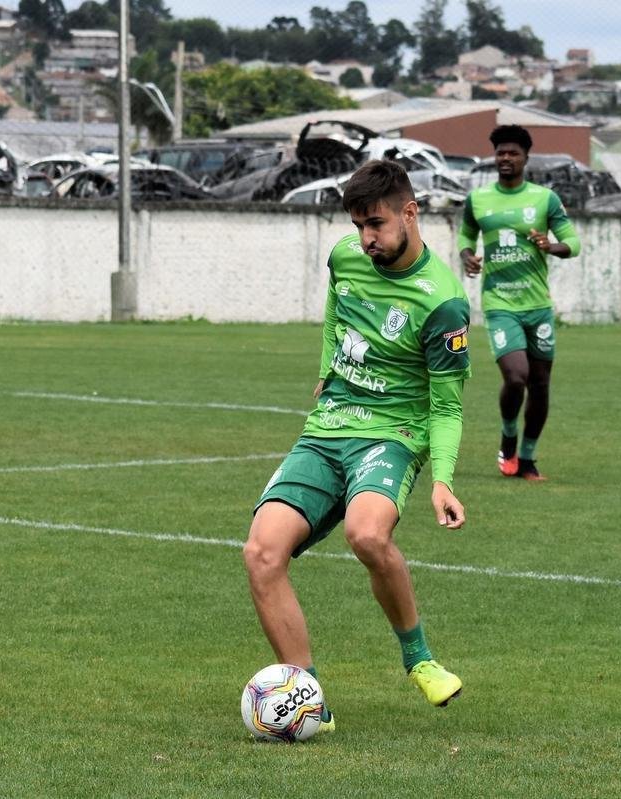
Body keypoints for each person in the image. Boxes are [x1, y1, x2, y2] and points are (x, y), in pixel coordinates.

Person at [243, 159, 472, 732]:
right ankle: (307, 699)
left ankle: (419, 660)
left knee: (367, 534)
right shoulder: (346, 257)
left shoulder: (443, 302)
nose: (365, 238)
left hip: (393, 435)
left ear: (409, 213)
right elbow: (335, 310)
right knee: (262, 553)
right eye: (358, 225)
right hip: (327, 430)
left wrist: (442, 478)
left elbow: (447, 406)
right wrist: (326, 367)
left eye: (376, 224)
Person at [457, 125, 582, 481]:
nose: (506, 158)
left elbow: (573, 243)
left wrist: (550, 246)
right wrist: (467, 256)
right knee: (516, 377)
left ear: (526, 158)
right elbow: (466, 235)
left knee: (539, 384)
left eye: (513, 153)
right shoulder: (478, 199)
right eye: (501, 153)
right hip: (499, 303)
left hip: (537, 305)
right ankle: (508, 435)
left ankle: (527, 459)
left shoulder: (545, 199)